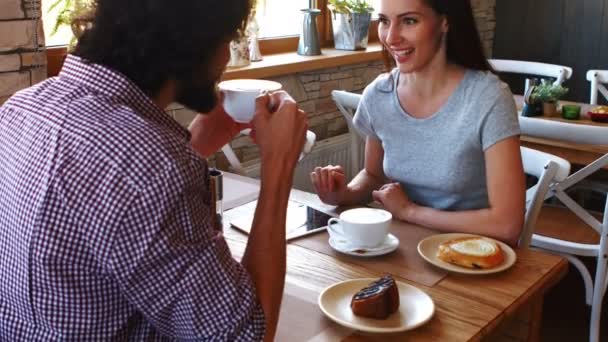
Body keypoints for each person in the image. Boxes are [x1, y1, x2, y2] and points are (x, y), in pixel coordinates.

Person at [0, 0, 307, 340]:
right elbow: (247, 335)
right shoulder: (152, 163)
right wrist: (278, 166)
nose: (226, 57)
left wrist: (196, 143)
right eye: (229, 38)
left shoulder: (18, 111)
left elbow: (118, 219)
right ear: (194, 39)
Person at [311, 0, 525, 246]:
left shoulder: (489, 97)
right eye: (384, 21)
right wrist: (343, 194)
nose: (391, 37)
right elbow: (373, 175)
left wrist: (410, 211)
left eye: (409, 21)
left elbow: (507, 225)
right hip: (400, 249)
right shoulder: (378, 95)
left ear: (445, 22)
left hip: (473, 255)